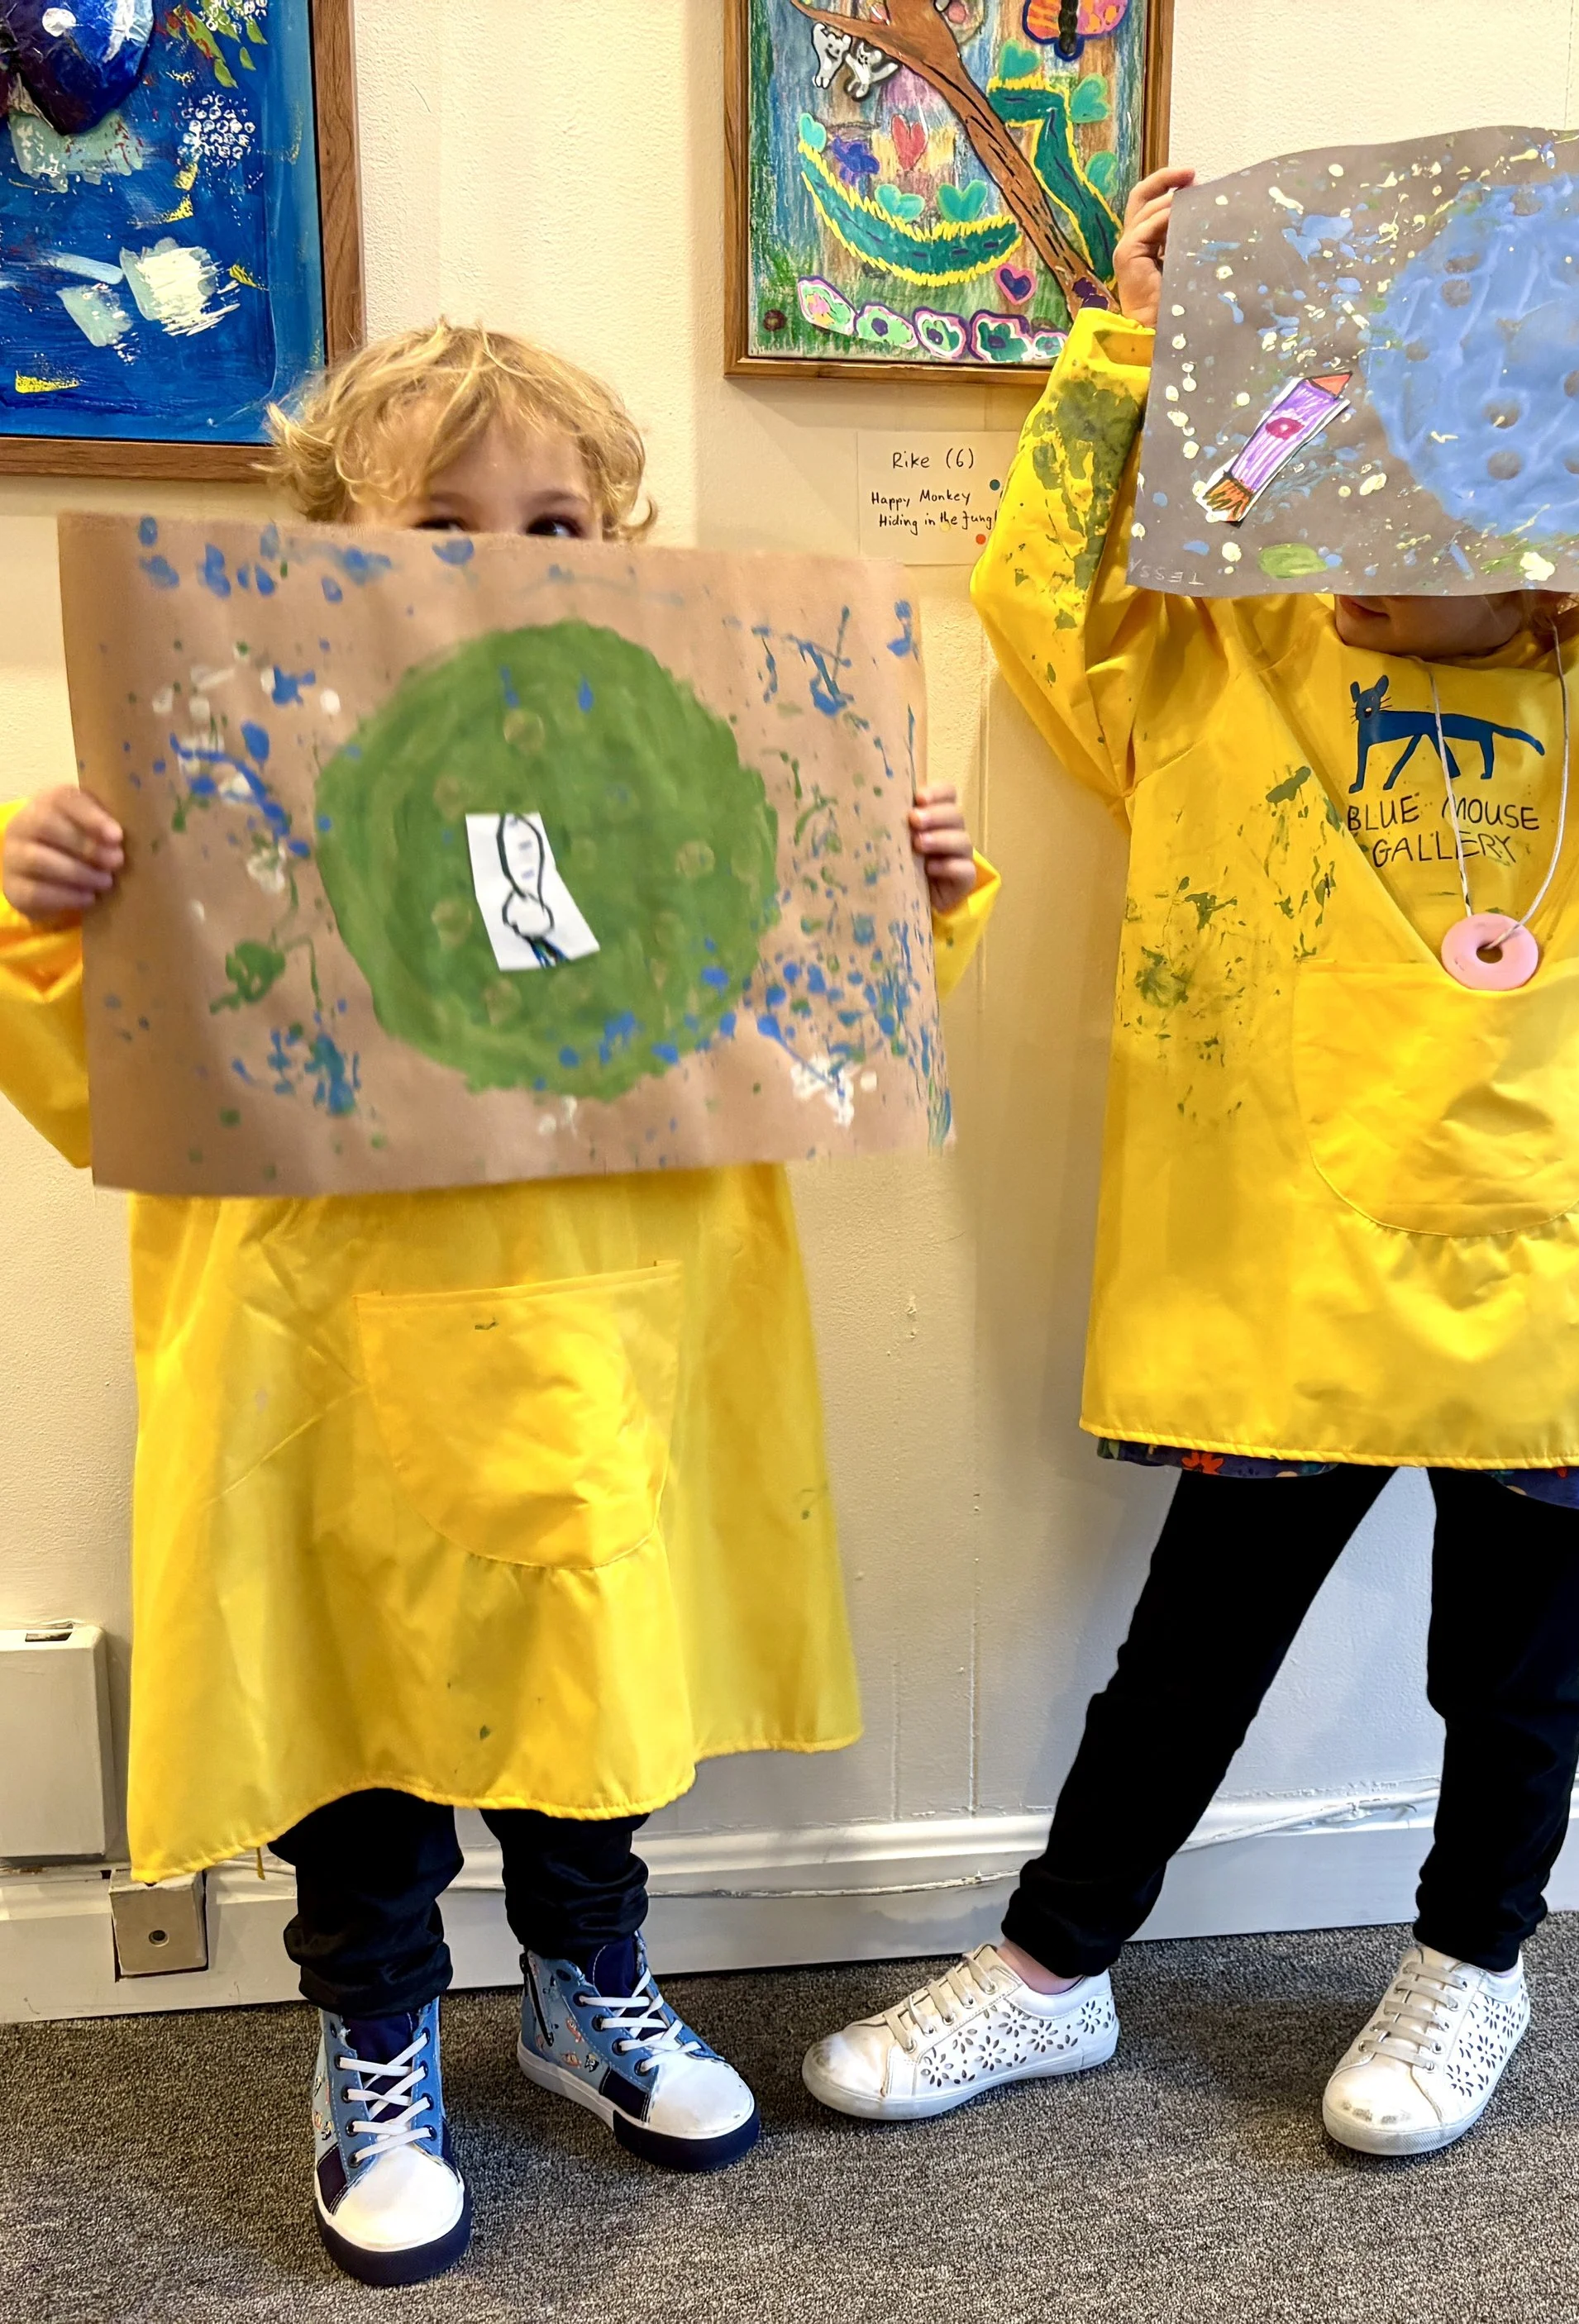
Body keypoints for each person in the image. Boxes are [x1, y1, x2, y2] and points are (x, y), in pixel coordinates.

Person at [804, 102, 1579, 2155]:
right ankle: (1048, 1968)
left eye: (1424, 525)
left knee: (1515, 1666)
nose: (1359, 568)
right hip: (1292, 1246)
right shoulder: (1217, 659)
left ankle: (1469, 1962)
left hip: (1571, 1254)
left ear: (1555, 509)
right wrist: (1133, 344)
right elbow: (1044, 591)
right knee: (1188, 1642)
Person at [0, 322, 996, 2286]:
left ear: (617, 540)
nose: (499, 551)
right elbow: (104, 1073)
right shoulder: (221, 762)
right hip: (330, 1344)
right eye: (437, 518)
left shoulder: (662, 752)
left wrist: (906, 888)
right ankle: (376, 2031)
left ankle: (582, 1982)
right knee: (356, 1707)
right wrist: (52, 907)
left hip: (612, 1323)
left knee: (590, 1702)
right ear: (323, 540)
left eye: (551, 516)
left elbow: (814, 1032)